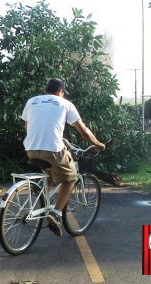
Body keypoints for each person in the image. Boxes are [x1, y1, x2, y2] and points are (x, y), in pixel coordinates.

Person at [21, 78, 105, 236]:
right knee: (70, 179)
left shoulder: (32, 101)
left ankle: (44, 200)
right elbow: (83, 130)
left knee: (50, 171)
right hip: (53, 149)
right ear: (61, 92)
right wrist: (96, 143)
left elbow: (27, 127)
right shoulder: (65, 103)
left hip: (31, 148)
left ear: (46, 90)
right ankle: (56, 213)